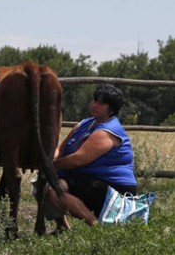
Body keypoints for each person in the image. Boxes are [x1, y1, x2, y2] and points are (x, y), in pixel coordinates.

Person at [45, 84, 137, 226]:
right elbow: (61, 149)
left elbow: (79, 160)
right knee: (49, 184)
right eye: (94, 100)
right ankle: (62, 227)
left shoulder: (107, 131)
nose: (95, 105)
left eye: (101, 103)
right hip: (88, 180)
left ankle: (94, 225)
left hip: (114, 186)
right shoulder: (83, 124)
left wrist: (50, 165)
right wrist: (49, 157)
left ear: (111, 108)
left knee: (56, 190)